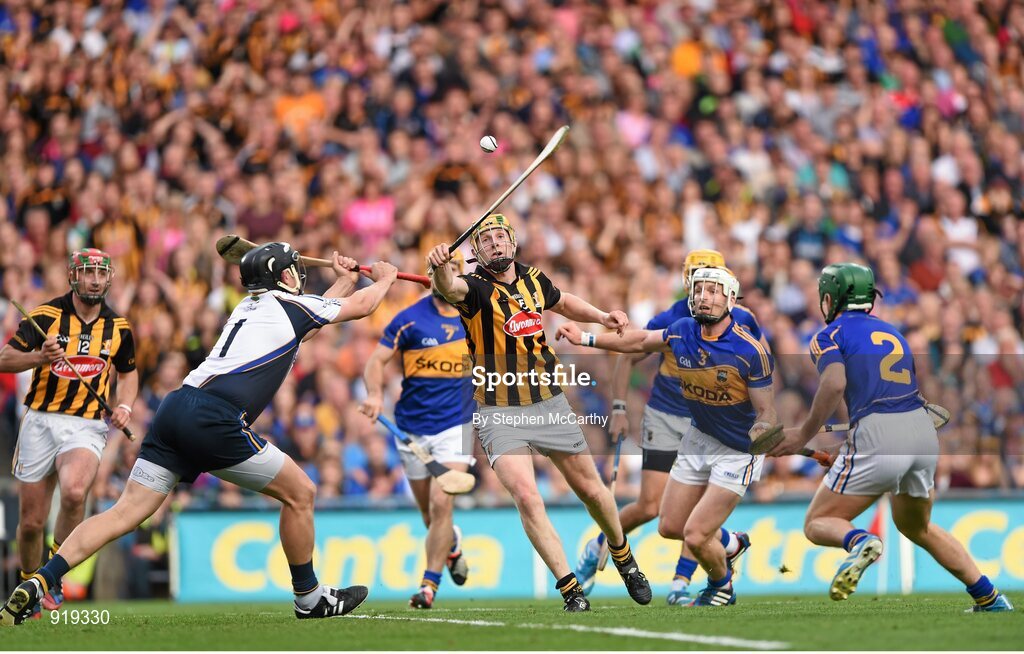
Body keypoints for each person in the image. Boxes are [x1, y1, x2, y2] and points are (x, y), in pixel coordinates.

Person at [0, 243, 398, 626]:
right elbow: (363, 307)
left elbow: (306, 327)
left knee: (124, 512)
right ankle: (309, 597)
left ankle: (41, 579)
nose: (301, 276)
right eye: (295, 270)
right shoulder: (289, 306)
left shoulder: (253, 305)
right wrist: (383, 279)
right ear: (284, 275)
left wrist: (345, 280)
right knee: (302, 494)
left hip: (176, 409)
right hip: (214, 420)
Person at [428, 214, 651, 612]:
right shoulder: (475, 289)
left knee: (591, 490)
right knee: (528, 497)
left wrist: (601, 316)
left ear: (513, 242)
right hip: (498, 409)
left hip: (548, 401)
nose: (495, 243)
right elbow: (448, 287)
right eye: (486, 239)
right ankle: (571, 589)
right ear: (476, 251)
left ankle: (622, 556)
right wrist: (441, 266)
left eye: (501, 236)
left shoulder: (534, 279)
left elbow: (563, 302)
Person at [766, 263, 1014, 612]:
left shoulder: (829, 335)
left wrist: (803, 434)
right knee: (918, 526)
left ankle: (861, 541)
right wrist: (844, 448)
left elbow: (835, 384)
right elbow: (889, 400)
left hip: (880, 434)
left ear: (829, 298)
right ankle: (989, 597)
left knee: (817, 523)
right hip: (921, 432)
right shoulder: (892, 332)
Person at [557, 266, 776, 607]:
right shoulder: (681, 328)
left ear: (731, 299)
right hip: (698, 437)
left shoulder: (749, 350)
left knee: (696, 533)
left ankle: (721, 585)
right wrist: (585, 338)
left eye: (714, 291)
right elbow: (639, 341)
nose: (705, 297)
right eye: (700, 290)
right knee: (670, 525)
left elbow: (767, 410)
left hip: (735, 449)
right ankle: (731, 544)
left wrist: (763, 427)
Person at [0, 249, 137, 615]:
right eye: (87, 272)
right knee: (30, 523)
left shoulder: (119, 327)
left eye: (100, 273)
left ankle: (51, 576)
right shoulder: (45, 316)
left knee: (76, 492)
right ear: (73, 277)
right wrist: (39, 358)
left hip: (86, 424)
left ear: (109, 279)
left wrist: (124, 406)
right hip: (40, 420)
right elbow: (4, 358)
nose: (94, 279)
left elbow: (128, 372)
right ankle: (30, 585)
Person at [359, 253, 474, 609]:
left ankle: (429, 586)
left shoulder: (476, 319)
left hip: (457, 425)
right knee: (430, 516)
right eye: (442, 272)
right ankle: (451, 546)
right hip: (410, 427)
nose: (448, 278)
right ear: (431, 278)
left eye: (454, 271)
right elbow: (375, 362)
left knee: (443, 503)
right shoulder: (408, 321)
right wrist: (376, 394)